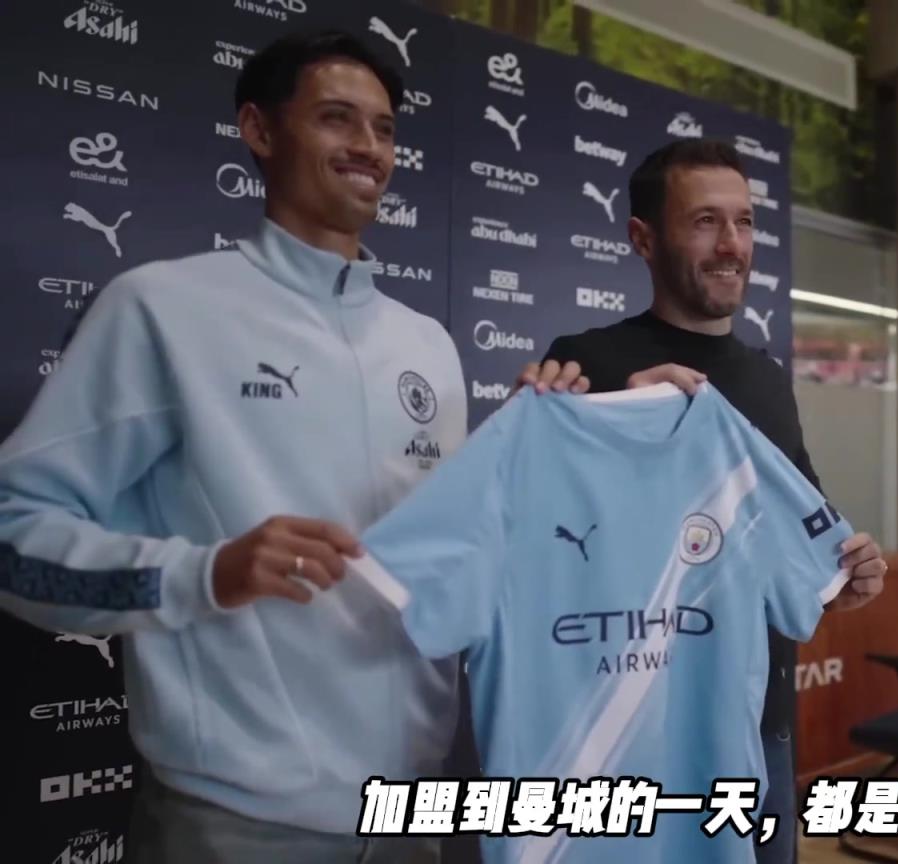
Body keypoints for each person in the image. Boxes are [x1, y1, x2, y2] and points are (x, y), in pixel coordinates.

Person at [0, 30, 587, 863]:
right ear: (259, 130)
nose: (368, 147)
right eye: (337, 118)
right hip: (235, 824)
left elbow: (458, 565)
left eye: (384, 129)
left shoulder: (427, 344)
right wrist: (206, 573)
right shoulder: (162, 309)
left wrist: (540, 451)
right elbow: (12, 538)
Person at [541, 138, 889, 864]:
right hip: (628, 732)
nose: (732, 244)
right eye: (705, 221)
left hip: (760, 728)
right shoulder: (584, 362)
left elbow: (799, 532)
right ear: (643, 238)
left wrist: (846, 576)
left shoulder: (766, 378)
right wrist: (617, 424)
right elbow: (539, 539)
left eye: (744, 221)